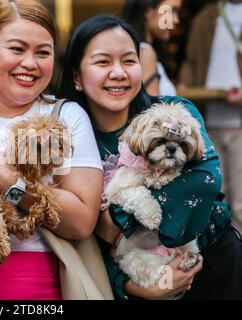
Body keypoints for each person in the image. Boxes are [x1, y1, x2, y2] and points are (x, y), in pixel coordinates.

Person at [60, 14, 242, 299]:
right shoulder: (72, 141)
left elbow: (205, 181)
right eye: (103, 61)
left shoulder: (176, 110)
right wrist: (135, 287)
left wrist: (114, 221)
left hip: (214, 259)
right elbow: (83, 240)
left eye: (129, 61)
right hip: (143, 278)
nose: (118, 72)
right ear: (76, 77)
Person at [0, 0, 105, 300]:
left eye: (43, 52)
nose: (30, 63)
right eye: (17, 49)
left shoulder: (65, 116)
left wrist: (9, 182)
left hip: (33, 281)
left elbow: (81, 221)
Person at [178, 0, 242, 235]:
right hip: (208, 122)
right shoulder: (205, 17)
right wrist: (185, 83)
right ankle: (221, 256)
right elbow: (191, 61)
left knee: (240, 203)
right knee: (215, 197)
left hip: (238, 125)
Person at [121, 0, 180, 96]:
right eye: (172, 11)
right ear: (149, 12)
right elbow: (152, 110)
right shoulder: (145, 53)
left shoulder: (141, 50)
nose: (176, 20)